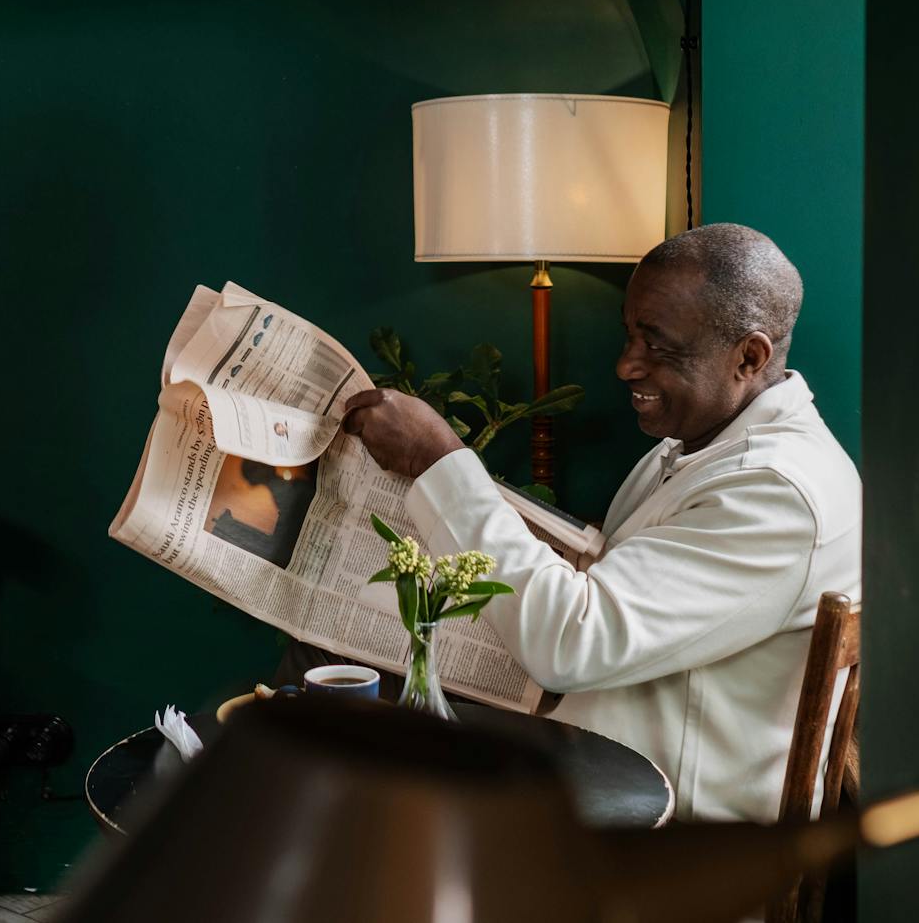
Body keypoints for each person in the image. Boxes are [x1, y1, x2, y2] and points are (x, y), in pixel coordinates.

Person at [341, 224, 859, 822]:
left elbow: (573, 643)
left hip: (672, 833)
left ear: (749, 357)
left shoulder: (775, 492)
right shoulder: (700, 447)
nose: (626, 365)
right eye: (630, 334)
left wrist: (438, 460)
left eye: (657, 345)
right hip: (601, 775)